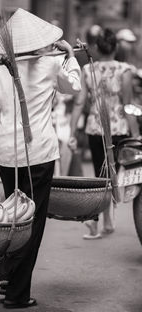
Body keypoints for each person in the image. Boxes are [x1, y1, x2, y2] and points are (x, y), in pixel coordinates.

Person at [0, 8, 81, 309]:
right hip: (38, 155)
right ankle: (16, 293)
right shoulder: (50, 64)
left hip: (6, 156)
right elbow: (73, 86)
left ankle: (8, 277)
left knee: (14, 219)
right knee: (31, 225)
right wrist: (69, 55)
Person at [69, 28, 140, 239]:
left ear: (98, 48)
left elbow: (79, 102)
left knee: (101, 178)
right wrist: (135, 135)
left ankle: (103, 221)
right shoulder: (125, 70)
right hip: (119, 131)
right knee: (113, 176)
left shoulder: (88, 69)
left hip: (95, 128)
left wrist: (73, 131)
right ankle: (102, 221)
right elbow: (127, 105)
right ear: (116, 47)